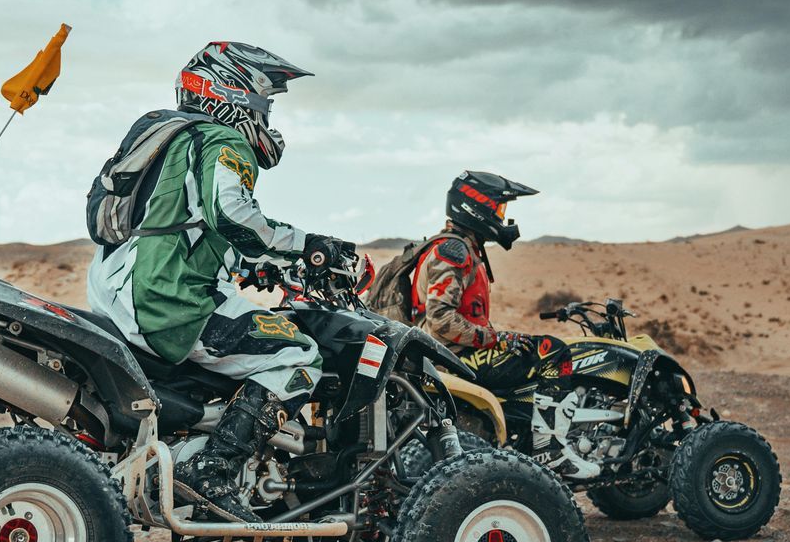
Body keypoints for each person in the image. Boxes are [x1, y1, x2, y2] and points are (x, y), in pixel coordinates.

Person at [85, 41, 354, 515]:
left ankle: (190, 445)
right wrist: (309, 245)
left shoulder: (171, 135)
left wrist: (257, 265)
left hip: (118, 288)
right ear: (235, 90)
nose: (267, 116)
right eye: (264, 102)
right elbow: (232, 213)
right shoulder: (223, 139)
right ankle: (214, 469)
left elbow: (187, 228)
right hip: (165, 299)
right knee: (298, 355)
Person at [388, 171, 571, 393]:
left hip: (450, 354)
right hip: (450, 359)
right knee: (552, 351)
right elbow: (440, 319)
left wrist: (497, 338)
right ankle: (550, 427)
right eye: (499, 210)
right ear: (477, 208)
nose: (501, 218)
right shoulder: (452, 251)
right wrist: (495, 339)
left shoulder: (459, 248)